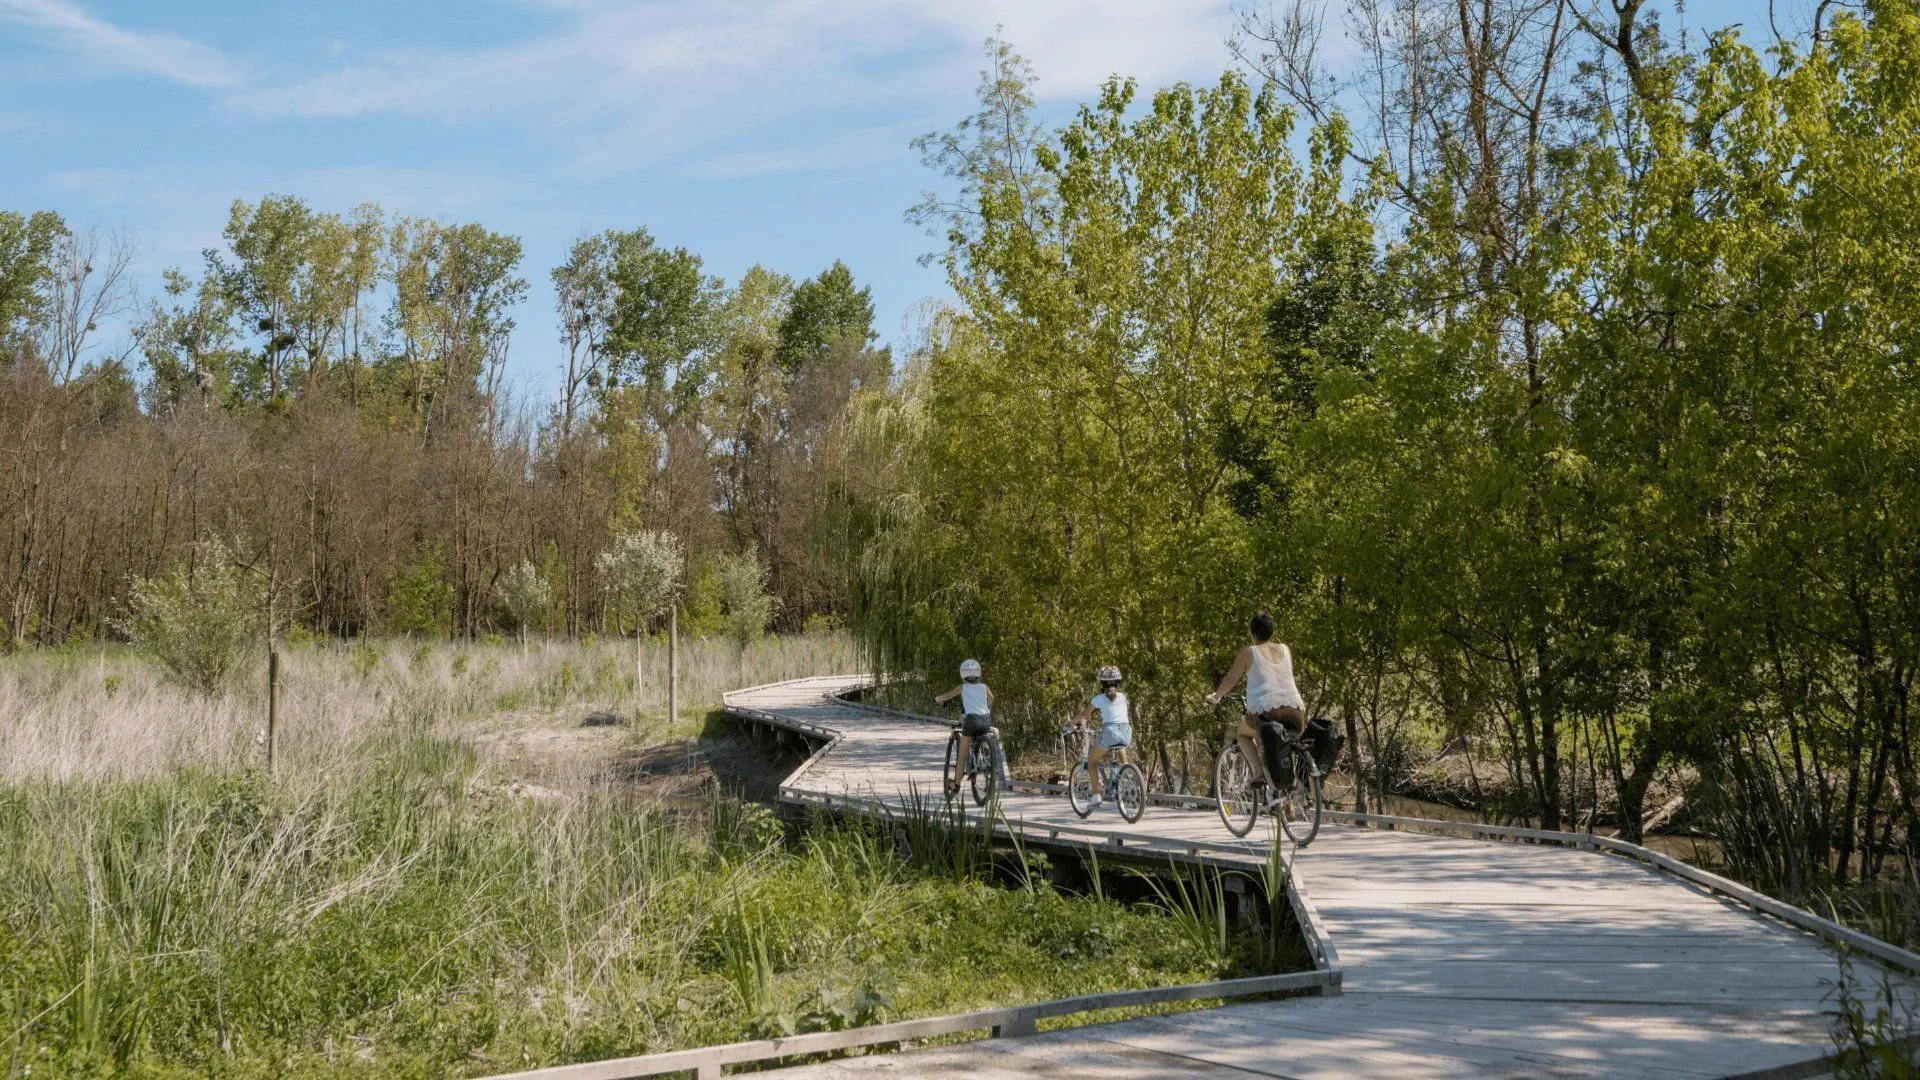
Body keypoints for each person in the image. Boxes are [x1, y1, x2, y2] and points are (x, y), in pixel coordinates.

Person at [1206, 613, 1304, 785]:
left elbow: (1230, 680)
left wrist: (1216, 696)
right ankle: (1289, 796)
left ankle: (1259, 772)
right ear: (1271, 632)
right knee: (1277, 741)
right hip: (1296, 712)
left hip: (1266, 712)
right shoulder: (1285, 649)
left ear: (1252, 633)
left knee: (1242, 734)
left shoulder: (1248, 652)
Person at [1073, 665, 1134, 809]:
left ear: (1102, 684)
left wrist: (1071, 723)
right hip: (1126, 732)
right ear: (1117, 683)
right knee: (1120, 745)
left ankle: (1096, 796)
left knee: (1092, 762)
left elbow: (1084, 714)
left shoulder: (1099, 699)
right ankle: (1126, 772)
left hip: (1110, 732)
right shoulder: (1123, 697)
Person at [934, 658, 994, 795]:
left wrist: (939, 699)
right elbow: (992, 699)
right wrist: (986, 706)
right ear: (978, 673)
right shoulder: (984, 687)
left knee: (962, 754)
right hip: (986, 720)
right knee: (979, 736)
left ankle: (955, 785)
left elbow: (948, 696)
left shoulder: (963, 687)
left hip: (971, 720)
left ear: (963, 674)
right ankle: (981, 759)